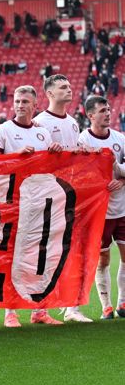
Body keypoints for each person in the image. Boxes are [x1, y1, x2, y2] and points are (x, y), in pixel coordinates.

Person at [0, 86, 64, 328]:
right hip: (14, 202)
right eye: (17, 101)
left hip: (40, 204)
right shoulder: (3, 130)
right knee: (12, 258)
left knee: (41, 256)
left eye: (25, 101)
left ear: (35, 105)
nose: (20, 105)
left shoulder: (43, 134)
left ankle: (40, 310)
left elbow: (52, 167)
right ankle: (11, 311)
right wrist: (16, 155)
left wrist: (56, 152)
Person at [33, 74, 90, 323]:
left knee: (71, 251)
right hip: (48, 196)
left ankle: (71, 307)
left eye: (69, 85)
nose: (69, 89)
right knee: (46, 252)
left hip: (71, 194)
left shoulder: (73, 122)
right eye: (62, 87)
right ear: (50, 94)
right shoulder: (38, 122)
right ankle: (40, 309)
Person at [77, 96, 125, 319]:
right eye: (102, 110)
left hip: (122, 208)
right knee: (103, 259)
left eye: (108, 109)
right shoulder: (83, 141)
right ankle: (106, 306)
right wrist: (99, 185)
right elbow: (78, 176)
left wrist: (122, 180)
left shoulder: (120, 138)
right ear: (90, 115)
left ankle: (122, 304)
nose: (108, 113)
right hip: (99, 212)